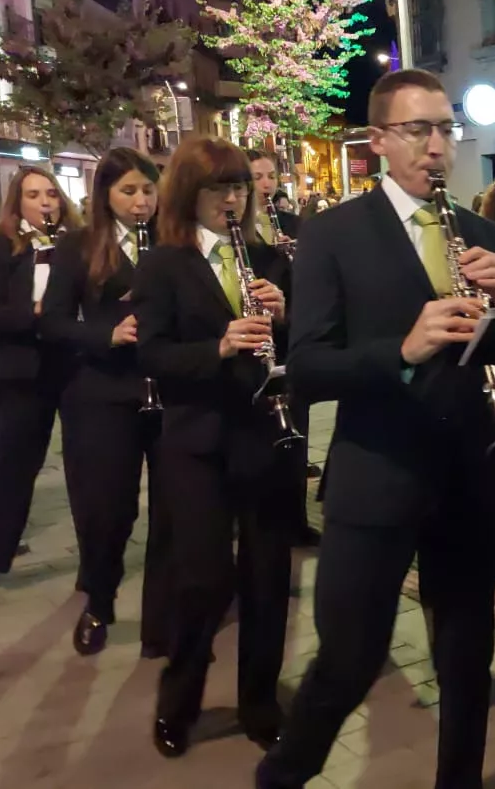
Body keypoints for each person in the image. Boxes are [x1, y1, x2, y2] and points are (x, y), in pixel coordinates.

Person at [259, 68, 495, 789]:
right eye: (419, 130)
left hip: (468, 473)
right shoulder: (334, 233)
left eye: (446, 129)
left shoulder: (480, 230)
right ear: (377, 142)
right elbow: (307, 366)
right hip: (377, 473)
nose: (438, 146)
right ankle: (282, 774)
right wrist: (401, 351)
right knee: (348, 655)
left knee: (467, 657)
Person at [132, 137, 294, 757]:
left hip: (263, 435)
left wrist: (285, 317)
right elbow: (153, 354)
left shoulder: (269, 259)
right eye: (218, 189)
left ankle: (260, 700)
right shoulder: (163, 265)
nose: (232, 199)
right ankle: (181, 697)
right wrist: (219, 347)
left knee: (267, 577)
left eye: (238, 188)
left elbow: (304, 346)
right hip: (196, 442)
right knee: (202, 580)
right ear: (189, 195)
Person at [39, 148, 171, 657]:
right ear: (105, 195)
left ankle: (163, 615)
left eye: (148, 190)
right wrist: (106, 334)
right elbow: (51, 321)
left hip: (164, 389)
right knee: (107, 510)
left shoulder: (170, 242)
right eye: (129, 191)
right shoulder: (78, 246)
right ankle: (100, 597)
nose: (141, 202)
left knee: (172, 509)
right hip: (101, 394)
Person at [0, 167, 84, 594]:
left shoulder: (76, 242)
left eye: (51, 194)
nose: (45, 202)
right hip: (22, 371)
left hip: (72, 364)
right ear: (17, 201)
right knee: (15, 468)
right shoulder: (2, 246)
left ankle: (93, 565)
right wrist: (34, 315)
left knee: (86, 469)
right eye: (34, 194)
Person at [248, 148, 323, 532]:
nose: (265, 184)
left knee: (299, 424)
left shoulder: (294, 224)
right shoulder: (239, 230)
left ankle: (296, 518)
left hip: (292, 330)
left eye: (269, 177)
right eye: (256, 177)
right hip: (259, 335)